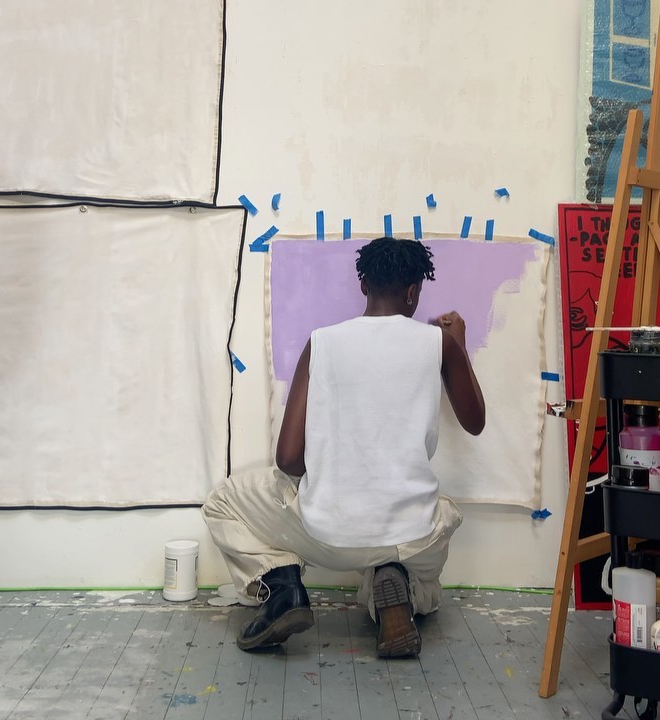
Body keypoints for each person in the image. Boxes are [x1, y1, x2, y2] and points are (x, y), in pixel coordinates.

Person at [202, 236, 485, 657]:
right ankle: (397, 589)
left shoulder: (321, 342)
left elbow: (288, 459)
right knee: (432, 566)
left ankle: (282, 586)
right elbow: (474, 422)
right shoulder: (438, 343)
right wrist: (458, 344)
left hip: (327, 535)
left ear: (363, 285)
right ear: (413, 292)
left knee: (222, 502)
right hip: (410, 535)